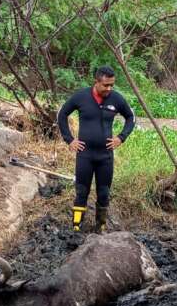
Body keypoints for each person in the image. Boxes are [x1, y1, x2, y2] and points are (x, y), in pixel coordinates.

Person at [57, 65, 135, 232]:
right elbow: (62, 114)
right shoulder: (81, 97)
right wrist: (69, 139)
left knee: (104, 193)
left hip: (105, 157)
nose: (109, 88)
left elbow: (131, 117)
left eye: (112, 85)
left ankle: (100, 227)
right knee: (81, 192)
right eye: (106, 85)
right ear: (96, 82)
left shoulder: (116, 99)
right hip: (85, 155)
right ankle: (76, 228)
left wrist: (121, 137)